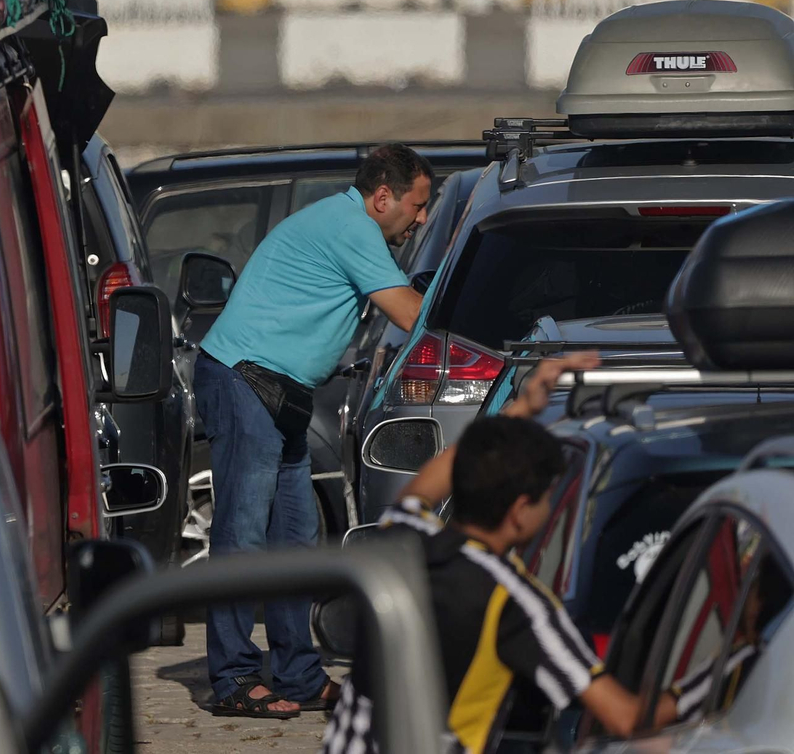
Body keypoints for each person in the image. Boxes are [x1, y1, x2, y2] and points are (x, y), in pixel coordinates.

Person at [321, 352, 676, 754]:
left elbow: (430, 480)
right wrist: (713, 677)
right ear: (520, 511)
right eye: (546, 498)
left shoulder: (405, 538)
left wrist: (522, 409)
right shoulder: (518, 603)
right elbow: (627, 718)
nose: (549, 508)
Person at [200, 144, 433, 718]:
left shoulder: (348, 223)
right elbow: (411, 314)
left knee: (296, 538)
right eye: (418, 204)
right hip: (246, 378)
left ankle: (299, 675)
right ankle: (232, 678)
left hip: (283, 390)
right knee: (243, 535)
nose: (422, 217)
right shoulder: (352, 227)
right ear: (383, 197)